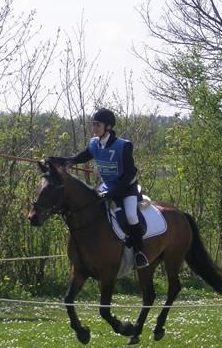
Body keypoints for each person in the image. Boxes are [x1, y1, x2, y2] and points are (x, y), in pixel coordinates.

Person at [49, 108, 149, 268]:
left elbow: (130, 174)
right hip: (106, 186)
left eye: (97, 125)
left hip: (126, 188)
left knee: (131, 216)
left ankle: (139, 253)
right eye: (93, 124)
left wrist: (114, 192)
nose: (94, 128)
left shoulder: (123, 146)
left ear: (108, 127)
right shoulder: (94, 143)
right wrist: (63, 160)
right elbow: (82, 157)